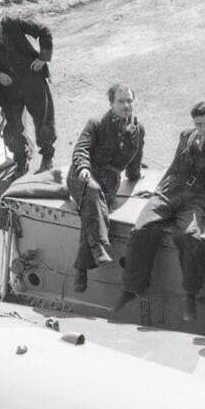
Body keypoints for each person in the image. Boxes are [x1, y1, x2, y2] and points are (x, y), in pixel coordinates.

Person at [115, 101, 205, 326]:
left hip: (197, 198)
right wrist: (155, 191)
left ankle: (190, 295)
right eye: (199, 123)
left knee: (189, 236)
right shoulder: (186, 136)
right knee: (142, 229)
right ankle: (132, 287)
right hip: (170, 191)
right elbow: (174, 165)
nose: (203, 128)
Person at [66, 86, 147, 292]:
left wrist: (135, 177)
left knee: (91, 209)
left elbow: (135, 157)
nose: (126, 105)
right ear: (111, 104)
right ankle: (100, 245)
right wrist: (84, 168)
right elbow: (81, 149)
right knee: (92, 192)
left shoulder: (137, 130)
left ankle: (81, 268)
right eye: (121, 101)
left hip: (108, 181)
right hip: (82, 176)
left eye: (129, 101)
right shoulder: (96, 124)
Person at [0, 0, 54, 180]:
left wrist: (43, 58)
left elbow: (43, 31)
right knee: (13, 127)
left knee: (43, 119)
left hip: (31, 78)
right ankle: (21, 161)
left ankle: (47, 157)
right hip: (8, 87)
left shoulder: (14, 22)